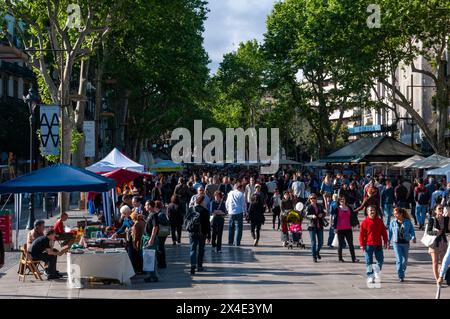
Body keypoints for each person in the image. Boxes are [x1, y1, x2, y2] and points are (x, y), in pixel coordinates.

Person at [359, 205, 388, 285]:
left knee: (380, 260)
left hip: (378, 244)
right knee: (369, 262)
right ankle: (370, 276)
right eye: (370, 210)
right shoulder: (365, 222)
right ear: (367, 212)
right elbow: (361, 234)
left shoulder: (379, 221)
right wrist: (362, 244)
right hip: (368, 245)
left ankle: (376, 271)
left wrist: (386, 241)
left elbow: (384, 232)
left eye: (373, 210)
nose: (372, 212)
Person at [388, 207, 416, 282]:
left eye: (396, 214)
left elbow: (412, 231)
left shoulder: (407, 222)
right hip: (396, 243)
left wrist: (413, 237)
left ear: (401, 214)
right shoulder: (392, 222)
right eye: (394, 214)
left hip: (406, 243)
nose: (395, 215)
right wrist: (388, 241)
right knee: (399, 260)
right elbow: (390, 232)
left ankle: (402, 270)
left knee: (405, 261)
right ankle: (401, 275)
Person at [331, 195, 359, 263]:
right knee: (340, 244)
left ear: (345, 200)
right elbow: (335, 219)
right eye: (340, 200)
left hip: (348, 228)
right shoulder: (337, 209)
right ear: (339, 201)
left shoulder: (349, 207)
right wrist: (335, 228)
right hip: (340, 229)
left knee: (351, 244)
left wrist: (357, 223)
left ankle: (353, 258)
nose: (342, 201)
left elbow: (353, 216)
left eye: (343, 199)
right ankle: (340, 258)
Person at [188, 195, 211, 275]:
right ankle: (200, 266)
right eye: (204, 201)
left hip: (192, 232)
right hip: (202, 233)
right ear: (202, 201)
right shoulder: (205, 211)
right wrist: (209, 236)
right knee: (201, 249)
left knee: (192, 249)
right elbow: (208, 224)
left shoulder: (191, 209)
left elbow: (186, 220)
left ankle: (192, 265)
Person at [426, 204, 450, 281]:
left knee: (444, 262)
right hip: (434, 243)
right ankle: (437, 279)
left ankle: (441, 275)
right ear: (435, 210)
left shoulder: (446, 219)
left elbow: (448, 230)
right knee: (435, 262)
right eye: (439, 208)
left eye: (442, 208)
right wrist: (436, 233)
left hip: (443, 243)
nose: (441, 210)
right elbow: (428, 231)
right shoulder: (432, 219)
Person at [305, 193, 326, 263]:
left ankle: (317, 252)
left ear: (316, 199)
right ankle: (314, 257)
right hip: (312, 226)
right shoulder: (308, 207)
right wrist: (312, 216)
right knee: (313, 242)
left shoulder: (319, 206)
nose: (313, 199)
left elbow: (324, 213)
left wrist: (322, 214)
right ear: (309, 200)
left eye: (314, 198)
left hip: (319, 225)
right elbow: (306, 215)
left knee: (321, 242)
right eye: (311, 198)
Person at [143, 202, 160, 283]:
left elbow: (155, 227)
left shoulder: (154, 215)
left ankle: (153, 276)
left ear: (150, 206)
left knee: (151, 257)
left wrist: (151, 239)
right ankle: (150, 275)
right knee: (148, 257)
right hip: (147, 238)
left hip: (150, 238)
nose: (145, 206)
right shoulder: (150, 214)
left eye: (146, 205)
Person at [226, 182, 246, 246]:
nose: (243, 189)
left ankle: (230, 241)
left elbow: (227, 203)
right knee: (238, 228)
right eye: (242, 188)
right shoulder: (241, 194)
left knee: (231, 227)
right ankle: (237, 242)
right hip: (239, 212)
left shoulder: (230, 193)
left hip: (231, 212)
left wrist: (228, 210)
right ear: (239, 188)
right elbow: (243, 204)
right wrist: (245, 212)